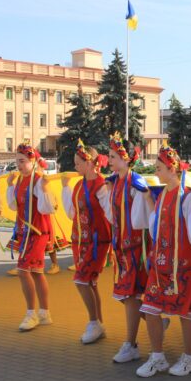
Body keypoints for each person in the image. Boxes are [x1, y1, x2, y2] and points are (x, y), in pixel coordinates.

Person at [136, 146, 191, 378]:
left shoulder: (186, 196)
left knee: (187, 314)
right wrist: (148, 199)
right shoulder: (164, 194)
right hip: (161, 265)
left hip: (184, 265)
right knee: (150, 308)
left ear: (172, 168)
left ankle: (189, 359)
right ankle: (157, 357)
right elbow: (156, 227)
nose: (156, 172)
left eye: (158, 168)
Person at [106, 132, 151, 363]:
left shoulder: (136, 184)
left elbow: (142, 220)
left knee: (130, 295)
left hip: (135, 249)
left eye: (113, 156)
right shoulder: (115, 182)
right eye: (109, 156)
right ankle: (152, 319)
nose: (109, 160)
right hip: (122, 249)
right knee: (125, 295)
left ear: (126, 158)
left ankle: (131, 343)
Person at [62, 140, 112, 343]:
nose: (75, 166)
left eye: (78, 163)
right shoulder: (79, 185)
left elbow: (110, 215)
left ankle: (93, 323)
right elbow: (71, 213)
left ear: (90, 162)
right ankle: (97, 323)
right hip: (80, 241)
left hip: (97, 242)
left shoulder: (101, 186)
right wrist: (66, 189)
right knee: (89, 282)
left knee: (81, 280)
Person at [5, 142, 57, 331]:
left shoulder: (39, 180)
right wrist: (10, 186)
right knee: (36, 272)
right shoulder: (19, 180)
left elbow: (48, 208)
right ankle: (44, 313)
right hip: (24, 232)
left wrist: (43, 190)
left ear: (33, 160)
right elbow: (13, 206)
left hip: (37, 232)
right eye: (17, 161)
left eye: (23, 161)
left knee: (23, 270)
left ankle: (31, 314)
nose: (19, 165)